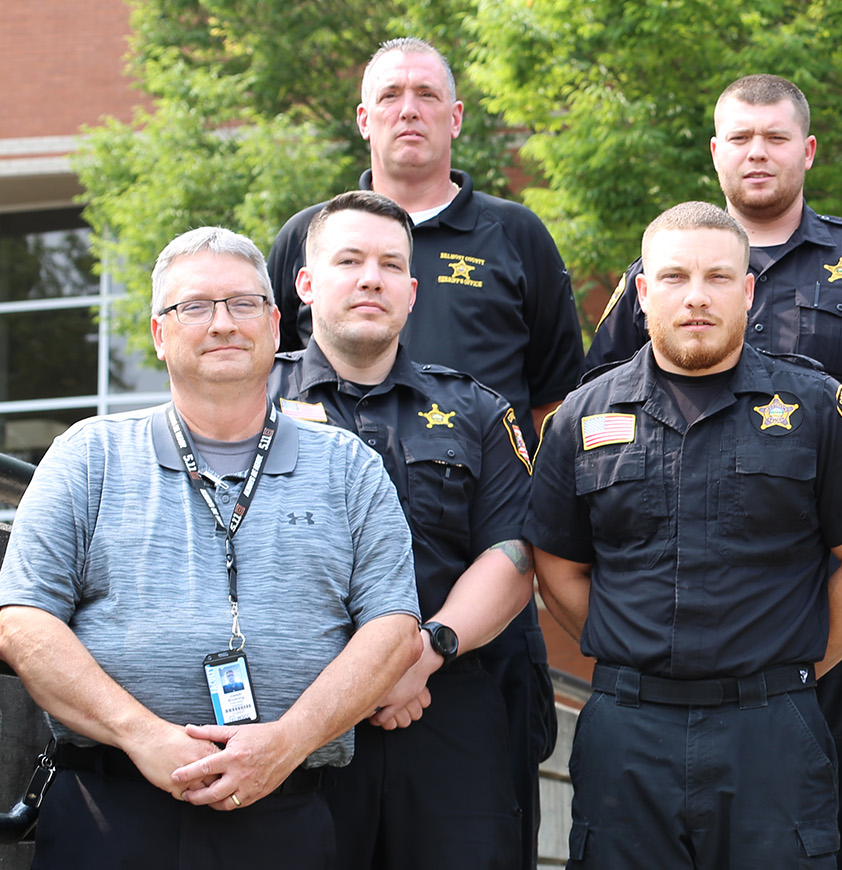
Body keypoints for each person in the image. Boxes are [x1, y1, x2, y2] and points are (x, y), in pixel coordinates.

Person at [584, 75, 842, 868]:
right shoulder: (660, 273)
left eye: (776, 137)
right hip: (694, 607)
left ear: (807, 151)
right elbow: (598, 415)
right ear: (715, 153)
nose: (758, 153)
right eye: (740, 139)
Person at [0, 226, 420, 868]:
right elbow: (23, 619)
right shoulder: (88, 456)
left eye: (243, 303)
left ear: (277, 327)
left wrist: (286, 742)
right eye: (194, 306)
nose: (222, 323)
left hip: (288, 812)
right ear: (160, 334)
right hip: (108, 812)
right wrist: (143, 736)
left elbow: (393, 628)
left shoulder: (351, 469)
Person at [266, 39, 584, 865]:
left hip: (470, 638)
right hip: (297, 685)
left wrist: (429, 648)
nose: (409, 109)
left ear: (456, 117)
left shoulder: (517, 237)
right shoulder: (303, 239)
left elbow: (554, 406)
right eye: (391, 95)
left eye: (426, 94)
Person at [525, 202, 842, 869]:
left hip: (771, 731)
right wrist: (636, 648)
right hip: (628, 734)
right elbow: (555, 565)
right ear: (642, 293)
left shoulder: (817, 407)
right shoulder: (583, 418)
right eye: (673, 277)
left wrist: (795, 665)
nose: (696, 297)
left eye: (718, 278)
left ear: (749, 291)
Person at [268, 190, 534, 869]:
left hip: (443, 705)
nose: (370, 278)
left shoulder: (478, 411)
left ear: (412, 291)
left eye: (390, 265)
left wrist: (421, 654)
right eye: (348, 260)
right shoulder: (251, 404)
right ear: (305, 283)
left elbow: (512, 552)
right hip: (291, 718)